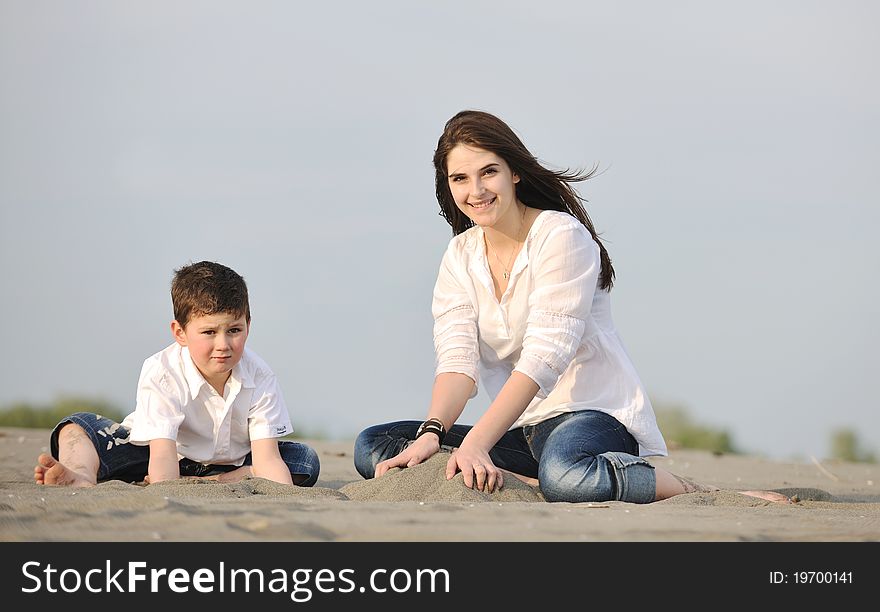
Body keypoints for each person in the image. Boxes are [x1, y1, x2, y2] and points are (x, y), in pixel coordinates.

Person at [354, 110, 788, 504]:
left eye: (489, 172)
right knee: (376, 446)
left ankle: (692, 489)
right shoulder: (460, 256)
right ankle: (523, 479)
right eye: (461, 179)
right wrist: (434, 433)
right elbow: (457, 362)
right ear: (447, 186)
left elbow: (545, 357)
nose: (477, 190)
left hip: (593, 416)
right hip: (520, 429)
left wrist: (475, 443)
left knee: (565, 475)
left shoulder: (561, 236)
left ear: (514, 174)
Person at [34, 260, 320, 488]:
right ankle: (81, 476)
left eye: (234, 330)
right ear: (180, 333)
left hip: (230, 461)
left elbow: (267, 459)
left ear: (248, 324)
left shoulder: (260, 375)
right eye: (209, 332)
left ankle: (209, 480)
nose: (223, 345)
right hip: (162, 453)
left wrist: (273, 485)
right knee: (76, 426)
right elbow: (160, 455)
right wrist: (167, 485)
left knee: (304, 461)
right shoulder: (163, 371)